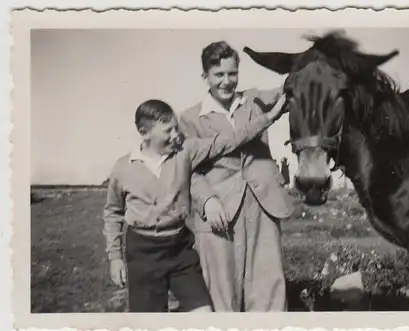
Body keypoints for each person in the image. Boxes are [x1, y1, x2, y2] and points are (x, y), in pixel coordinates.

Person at [102, 96, 286, 313]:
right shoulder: (124, 168)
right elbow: (113, 213)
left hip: (180, 250)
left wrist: (269, 117)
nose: (176, 136)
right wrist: (115, 258)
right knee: (148, 322)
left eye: (176, 128)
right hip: (143, 253)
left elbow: (228, 139)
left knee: (203, 316)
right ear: (144, 133)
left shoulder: (185, 152)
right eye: (167, 131)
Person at [179, 41, 294, 312]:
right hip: (218, 212)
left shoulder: (254, 100)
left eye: (233, 74)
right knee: (221, 295)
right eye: (219, 75)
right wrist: (207, 201)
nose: (227, 81)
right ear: (205, 76)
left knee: (269, 293)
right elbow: (186, 168)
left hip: (263, 206)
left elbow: (291, 90)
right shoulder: (190, 119)